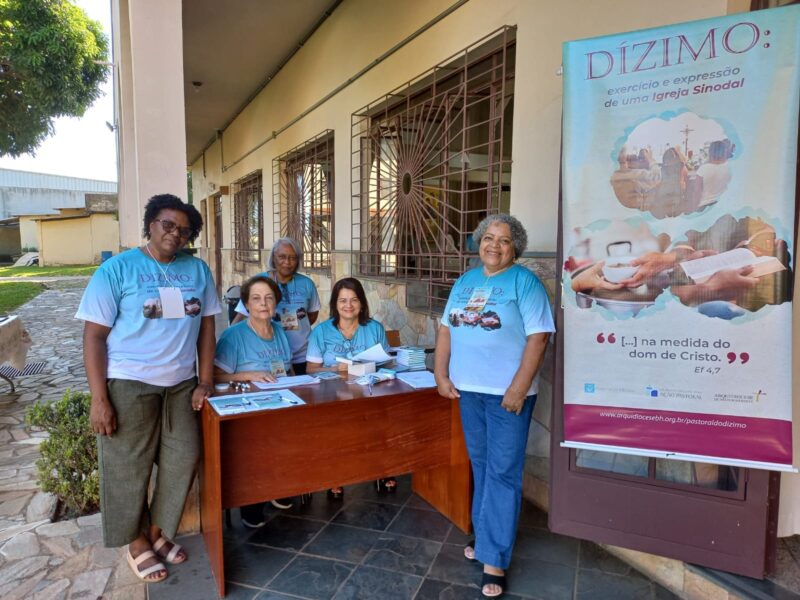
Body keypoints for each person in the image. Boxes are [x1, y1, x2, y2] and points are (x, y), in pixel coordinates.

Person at [76, 194, 220, 583]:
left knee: (184, 457)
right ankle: (136, 542)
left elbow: (207, 328)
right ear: (150, 224)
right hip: (129, 381)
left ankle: (156, 532)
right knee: (127, 467)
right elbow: (93, 336)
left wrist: (205, 380)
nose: (175, 234)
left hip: (181, 384)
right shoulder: (118, 269)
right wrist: (100, 398)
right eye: (167, 225)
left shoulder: (197, 270)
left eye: (185, 230)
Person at [435, 214, 554, 598]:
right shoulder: (466, 281)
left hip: (507, 395)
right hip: (468, 391)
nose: (494, 245)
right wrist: (441, 373)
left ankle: (495, 560)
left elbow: (539, 338)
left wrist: (518, 389)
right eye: (489, 238)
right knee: (483, 465)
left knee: (503, 472)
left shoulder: (525, 282)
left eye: (504, 240)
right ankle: (487, 537)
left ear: (514, 247)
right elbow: (446, 329)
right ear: (478, 241)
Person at [215, 275, 293, 524]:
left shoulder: (280, 331)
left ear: (276, 302)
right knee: (256, 441)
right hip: (249, 409)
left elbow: (288, 370)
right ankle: (252, 499)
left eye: (269, 298)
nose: (263, 303)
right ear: (246, 304)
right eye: (256, 298)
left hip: (281, 403)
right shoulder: (233, 335)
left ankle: (279, 487)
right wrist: (249, 375)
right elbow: (214, 375)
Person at [306, 277, 392, 498]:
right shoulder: (321, 331)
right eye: (342, 300)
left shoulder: (374, 328)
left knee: (384, 418)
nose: (348, 305)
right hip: (331, 395)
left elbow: (387, 362)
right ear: (335, 304)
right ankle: (336, 475)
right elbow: (310, 370)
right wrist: (336, 369)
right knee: (335, 426)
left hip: (369, 394)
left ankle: (383, 469)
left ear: (362, 303)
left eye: (354, 300)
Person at [232, 238, 320, 375]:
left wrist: (296, 328)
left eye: (292, 258)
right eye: (282, 257)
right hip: (270, 356)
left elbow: (312, 315)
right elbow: (241, 317)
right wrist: (232, 341)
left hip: (303, 355)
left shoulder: (307, 283)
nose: (287, 262)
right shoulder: (259, 282)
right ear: (274, 257)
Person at [648, 146, 688, 218]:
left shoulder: (663, 169)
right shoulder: (680, 167)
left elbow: (657, 184)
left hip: (665, 198)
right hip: (675, 197)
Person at [696, 140, 732, 209]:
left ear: (710, 152)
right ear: (724, 152)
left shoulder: (703, 169)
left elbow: (697, 191)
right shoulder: (730, 167)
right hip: (723, 205)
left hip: (705, 205)